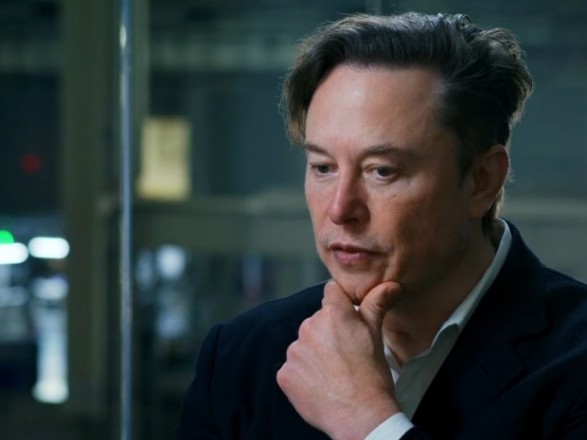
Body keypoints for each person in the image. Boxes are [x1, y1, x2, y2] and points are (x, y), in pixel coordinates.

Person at [176, 12, 587, 439]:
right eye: (323, 167)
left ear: (481, 180)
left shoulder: (574, 361)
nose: (340, 209)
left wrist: (368, 421)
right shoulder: (244, 354)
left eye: (382, 171)